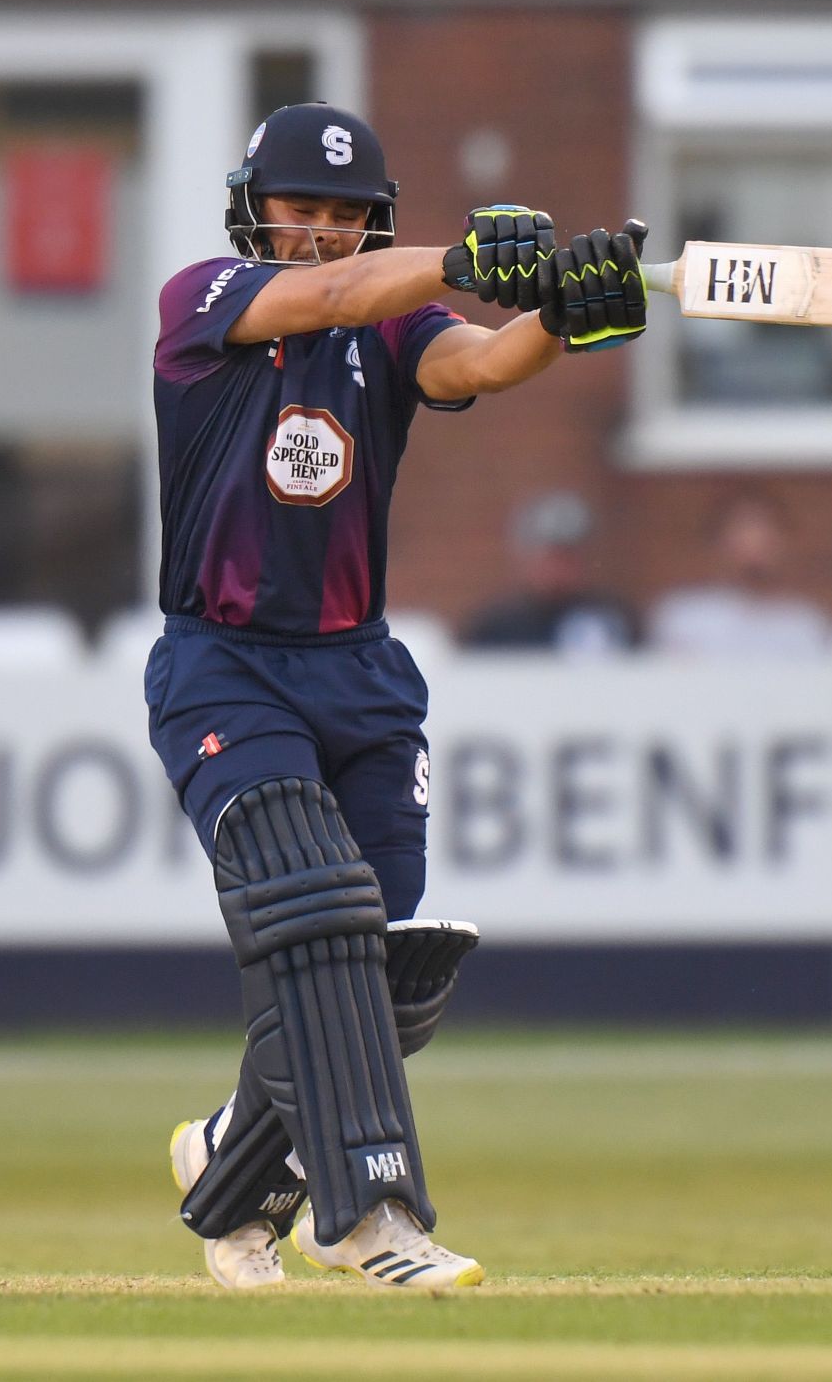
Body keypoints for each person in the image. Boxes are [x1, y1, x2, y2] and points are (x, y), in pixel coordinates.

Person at [145, 101, 647, 1290]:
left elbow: (475, 361)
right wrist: (469, 256)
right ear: (251, 213)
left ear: (370, 222)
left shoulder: (397, 321)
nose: (315, 236)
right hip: (226, 661)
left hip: (360, 672)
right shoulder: (203, 304)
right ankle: (371, 1215)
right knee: (315, 909)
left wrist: (562, 313)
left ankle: (230, 1164)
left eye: (338, 216)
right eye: (295, 211)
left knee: (379, 964)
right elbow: (326, 300)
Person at [647, 490, 829, 660]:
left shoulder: (803, 621)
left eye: (764, 537)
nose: (754, 548)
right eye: (742, 534)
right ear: (718, 542)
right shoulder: (685, 616)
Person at [463, 489, 637, 654]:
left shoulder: (612, 620)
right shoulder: (496, 627)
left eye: (569, 557)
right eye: (551, 557)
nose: (559, 568)